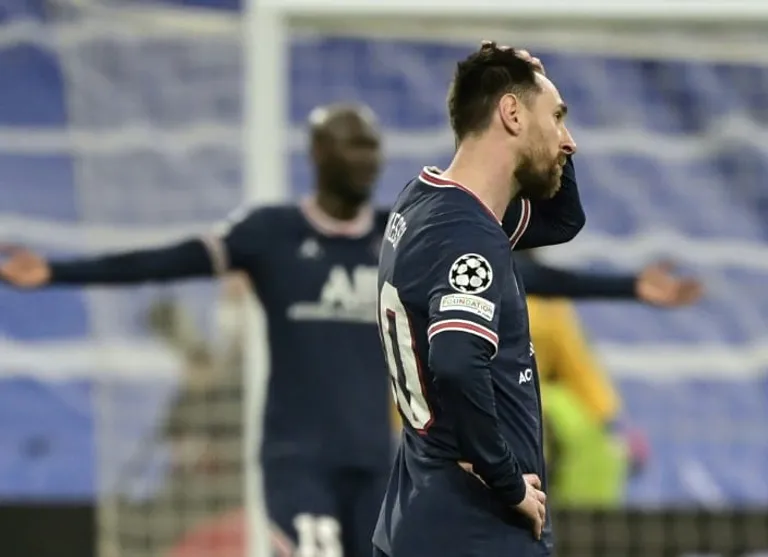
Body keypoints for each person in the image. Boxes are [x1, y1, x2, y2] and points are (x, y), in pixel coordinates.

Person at [374, 41, 583, 557]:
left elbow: (563, 220)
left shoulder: (424, 200)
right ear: (511, 114)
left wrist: (534, 80)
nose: (569, 141)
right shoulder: (467, 235)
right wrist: (507, 482)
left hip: (418, 511)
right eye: (557, 117)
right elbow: (456, 362)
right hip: (473, 529)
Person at [516, 253, 703, 507]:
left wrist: (630, 286)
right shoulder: (546, 307)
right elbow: (577, 364)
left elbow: (576, 363)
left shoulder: (484, 272)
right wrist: (611, 421)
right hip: (519, 414)